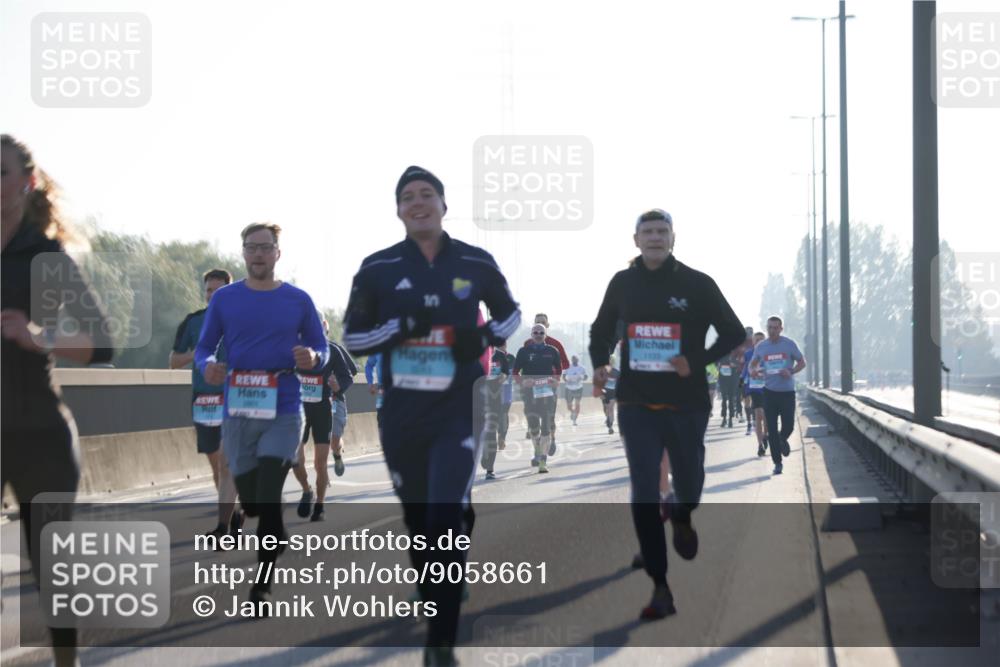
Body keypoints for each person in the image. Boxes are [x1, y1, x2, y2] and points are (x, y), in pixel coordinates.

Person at [343, 166, 520, 665]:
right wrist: (399, 328)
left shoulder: (474, 260)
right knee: (420, 520)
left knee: (443, 515)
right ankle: (439, 574)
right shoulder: (377, 267)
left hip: (460, 409)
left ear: (444, 204)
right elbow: (354, 339)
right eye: (407, 197)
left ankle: (440, 642)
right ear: (398, 210)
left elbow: (511, 315)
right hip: (402, 413)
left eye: (427, 195)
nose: (417, 203)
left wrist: (482, 338)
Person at [589, 208, 744, 620]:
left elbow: (734, 331)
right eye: (647, 232)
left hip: (687, 401)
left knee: (689, 481)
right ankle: (660, 587)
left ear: (673, 238)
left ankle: (682, 511)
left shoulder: (697, 284)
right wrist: (600, 361)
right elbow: (601, 329)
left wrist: (697, 359)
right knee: (642, 490)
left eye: (662, 231)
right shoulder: (623, 283)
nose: (655, 237)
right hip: (636, 402)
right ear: (635, 240)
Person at [1, 134, 114, 667]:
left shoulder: (46, 257)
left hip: (38, 431)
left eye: (1, 173)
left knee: (51, 566)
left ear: (27, 182)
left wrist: (37, 335)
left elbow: (101, 343)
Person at [195, 222, 329, 611]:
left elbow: (320, 347)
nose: (258, 254)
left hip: (284, 407)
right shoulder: (224, 300)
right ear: (243, 253)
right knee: (253, 503)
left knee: (269, 493)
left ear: (277, 253)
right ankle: (267, 523)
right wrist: (207, 367)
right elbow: (204, 347)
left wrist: (313, 358)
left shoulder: (298, 300)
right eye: (251, 248)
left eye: (265, 247)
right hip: (238, 408)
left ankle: (262, 586)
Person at [170, 269, 242, 540]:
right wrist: (198, 354)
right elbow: (173, 361)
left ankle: (225, 526)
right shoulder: (192, 322)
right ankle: (233, 513)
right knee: (215, 464)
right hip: (203, 399)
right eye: (209, 291)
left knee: (226, 462)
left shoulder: (241, 321)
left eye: (218, 291)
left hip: (234, 398)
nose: (212, 296)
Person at [292, 312, 358, 521]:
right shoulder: (291, 348)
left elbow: (348, 377)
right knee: (295, 459)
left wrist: (339, 387)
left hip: (322, 408)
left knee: (320, 463)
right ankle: (306, 490)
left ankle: (319, 506)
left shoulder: (332, 350)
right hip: (298, 408)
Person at [749, 316, 806, 475]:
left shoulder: (789, 344)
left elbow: (802, 362)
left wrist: (791, 371)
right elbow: (752, 365)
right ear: (767, 329)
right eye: (770, 328)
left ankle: (782, 440)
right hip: (769, 393)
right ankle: (777, 463)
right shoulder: (761, 346)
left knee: (788, 426)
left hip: (787, 393)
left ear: (781, 328)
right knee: (772, 430)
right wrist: (752, 372)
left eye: (775, 328)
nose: (772, 331)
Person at [512, 323, 562, 473]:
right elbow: (515, 372)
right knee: (534, 428)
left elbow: (559, 371)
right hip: (530, 394)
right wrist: (523, 381)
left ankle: (542, 461)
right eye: (535, 332)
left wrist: (556, 380)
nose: (538, 334)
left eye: (541, 332)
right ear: (531, 335)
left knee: (546, 427)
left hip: (547, 393)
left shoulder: (552, 351)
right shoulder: (523, 351)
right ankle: (538, 450)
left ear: (545, 335)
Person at [522, 314, 569, 452]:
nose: (540, 325)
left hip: (549, 385)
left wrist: (553, 371)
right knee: (532, 415)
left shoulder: (556, 344)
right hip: (532, 386)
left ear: (547, 325)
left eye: (543, 322)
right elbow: (523, 364)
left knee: (549, 417)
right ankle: (537, 449)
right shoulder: (527, 344)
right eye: (537, 322)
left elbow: (565, 364)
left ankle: (551, 439)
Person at [480, 343, 512, 479]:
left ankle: (489, 469)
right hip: (477, 399)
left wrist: (502, 378)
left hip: (495, 398)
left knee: (491, 432)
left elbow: (505, 372)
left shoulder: (499, 355)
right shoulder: (476, 353)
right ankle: (483, 455)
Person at [742, 331, 768, 455]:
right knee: (758, 415)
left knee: (767, 416)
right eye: (756, 340)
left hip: (769, 388)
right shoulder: (748, 354)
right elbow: (746, 370)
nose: (759, 342)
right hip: (755, 388)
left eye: (761, 340)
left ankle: (766, 434)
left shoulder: (770, 352)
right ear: (753, 342)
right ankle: (760, 445)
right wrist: (743, 384)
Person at [562, 355, 588, 425]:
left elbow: (586, 377)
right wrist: (566, 380)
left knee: (577, 404)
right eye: (573, 359)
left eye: (576, 359)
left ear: (578, 360)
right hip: (569, 388)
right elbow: (563, 376)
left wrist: (582, 378)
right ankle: (573, 412)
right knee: (569, 406)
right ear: (571, 360)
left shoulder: (582, 368)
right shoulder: (567, 367)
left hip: (578, 388)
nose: (574, 361)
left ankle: (575, 419)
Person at [601, 357, 621, 434]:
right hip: (604, 392)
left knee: (610, 408)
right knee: (606, 409)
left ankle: (610, 426)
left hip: (613, 392)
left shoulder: (617, 372)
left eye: (611, 362)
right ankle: (608, 420)